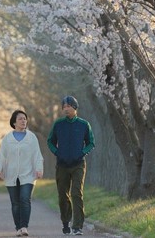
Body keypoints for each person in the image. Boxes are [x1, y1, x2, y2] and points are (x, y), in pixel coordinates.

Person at [47, 96, 95, 235]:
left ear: (75, 107)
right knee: (63, 195)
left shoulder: (84, 124)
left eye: (68, 106)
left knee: (76, 193)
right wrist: (57, 153)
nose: (65, 109)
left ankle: (77, 226)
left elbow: (91, 142)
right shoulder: (58, 124)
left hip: (78, 164)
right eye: (64, 106)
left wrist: (82, 153)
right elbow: (50, 141)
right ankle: (65, 222)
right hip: (62, 165)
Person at [0, 109, 44, 237]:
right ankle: (18, 227)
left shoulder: (31, 137)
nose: (24, 121)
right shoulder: (7, 138)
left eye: (25, 118)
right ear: (14, 122)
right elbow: (2, 156)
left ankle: (24, 227)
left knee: (25, 199)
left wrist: (39, 169)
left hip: (28, 174)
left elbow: (37, 155)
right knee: (15, 202)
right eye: (20, 119)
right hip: (10, 174)